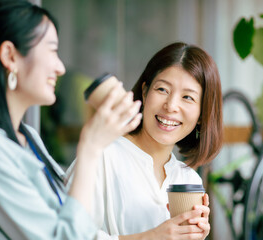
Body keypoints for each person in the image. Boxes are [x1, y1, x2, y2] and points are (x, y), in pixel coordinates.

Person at [0, 0, 142, 239]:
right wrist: (90, 147)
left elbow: (76, 222)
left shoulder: (28, 136)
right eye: (52, 51)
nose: (61, 67)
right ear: (10, 56)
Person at [88, 42, 223, 239]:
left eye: (187, 97)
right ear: (144, 92)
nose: (171, 106)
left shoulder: (188, 180)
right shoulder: (100, 158)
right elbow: (64, 234)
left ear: (202, 115)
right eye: (162, 89)